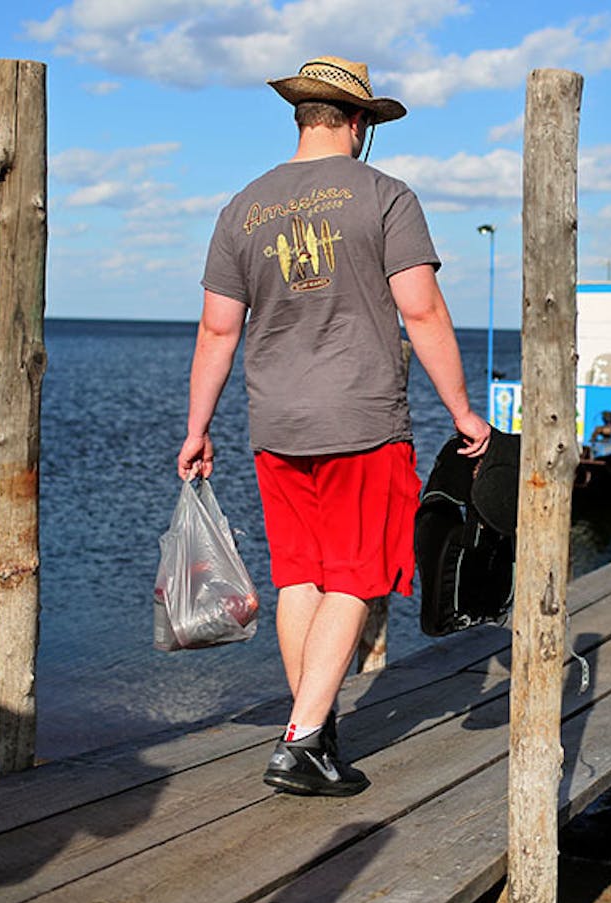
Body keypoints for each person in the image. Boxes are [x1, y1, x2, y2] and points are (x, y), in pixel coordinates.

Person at [177, 56, 491, 797]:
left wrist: (197, 429)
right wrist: (462, 411)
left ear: (300, 118)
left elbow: (217, 332)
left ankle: (313, 728)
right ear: (358, 123)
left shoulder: (242, 207)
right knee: (358, 575)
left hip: (275, 423)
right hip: (361, 419)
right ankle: (301, 741)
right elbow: (421, 310)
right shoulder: (385, 197)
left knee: (301, 578)